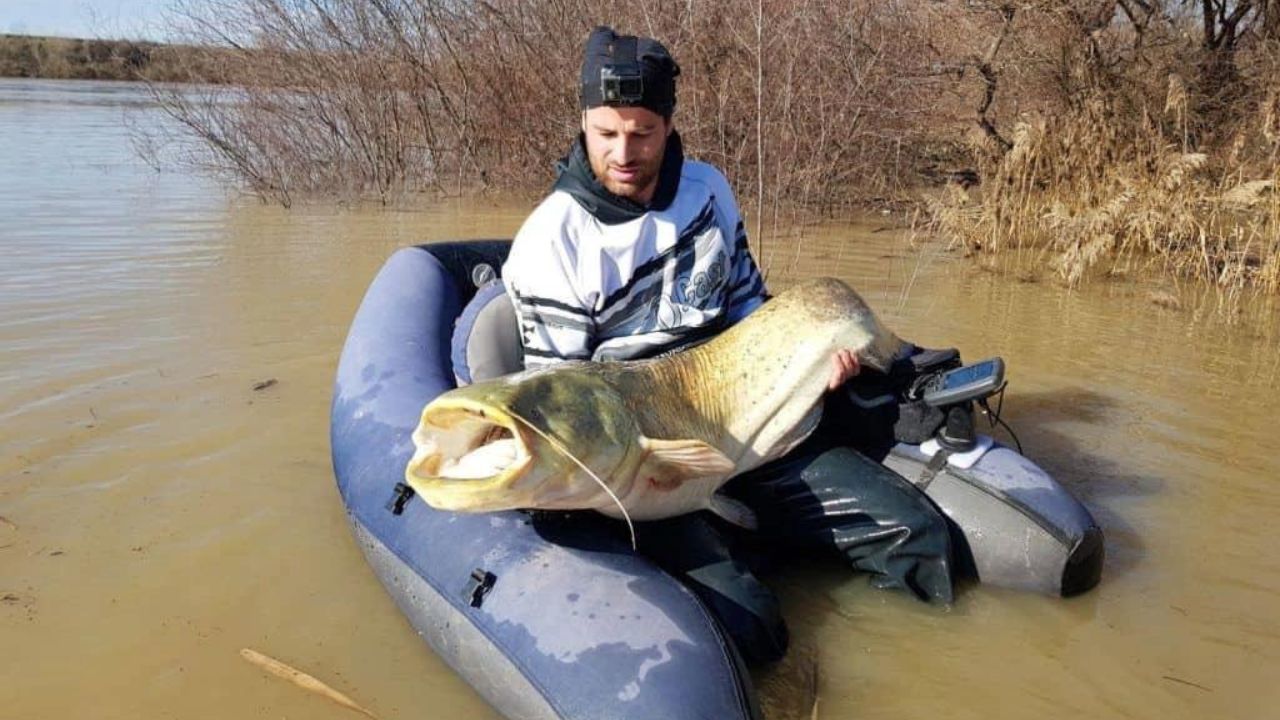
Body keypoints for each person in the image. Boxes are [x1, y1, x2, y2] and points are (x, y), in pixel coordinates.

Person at [500, 26, 952, 664]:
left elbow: (747, 306)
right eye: (606, 134)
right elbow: (569, 402)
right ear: (583, 125)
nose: (623, 152)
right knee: (753, 629)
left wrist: (814, 365)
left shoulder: (708, 190)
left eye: (642, 132)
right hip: (646, 461)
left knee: (918, 533)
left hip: (749, 423)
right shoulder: (553, 240)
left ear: (667, 124)